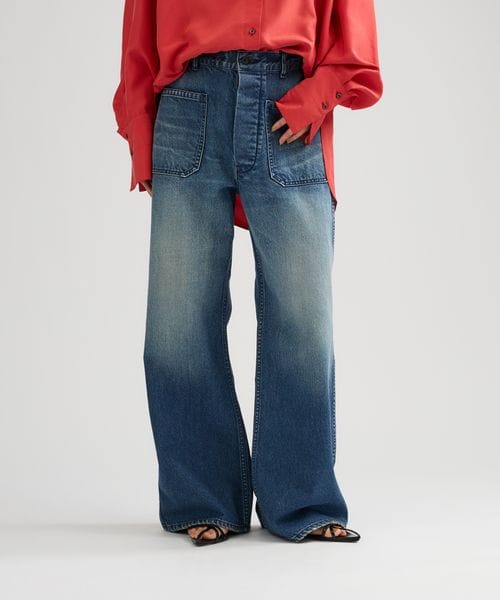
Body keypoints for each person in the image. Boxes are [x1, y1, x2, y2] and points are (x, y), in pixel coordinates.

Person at [112, 0, 383, 546]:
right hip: (186, 110)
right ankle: (203, 497)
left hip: (288, 108)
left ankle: (302, 499)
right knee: (178, 324)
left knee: (303, 321)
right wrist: (142, 140)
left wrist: (313, 95)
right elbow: (139, 39)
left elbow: (356, 45)